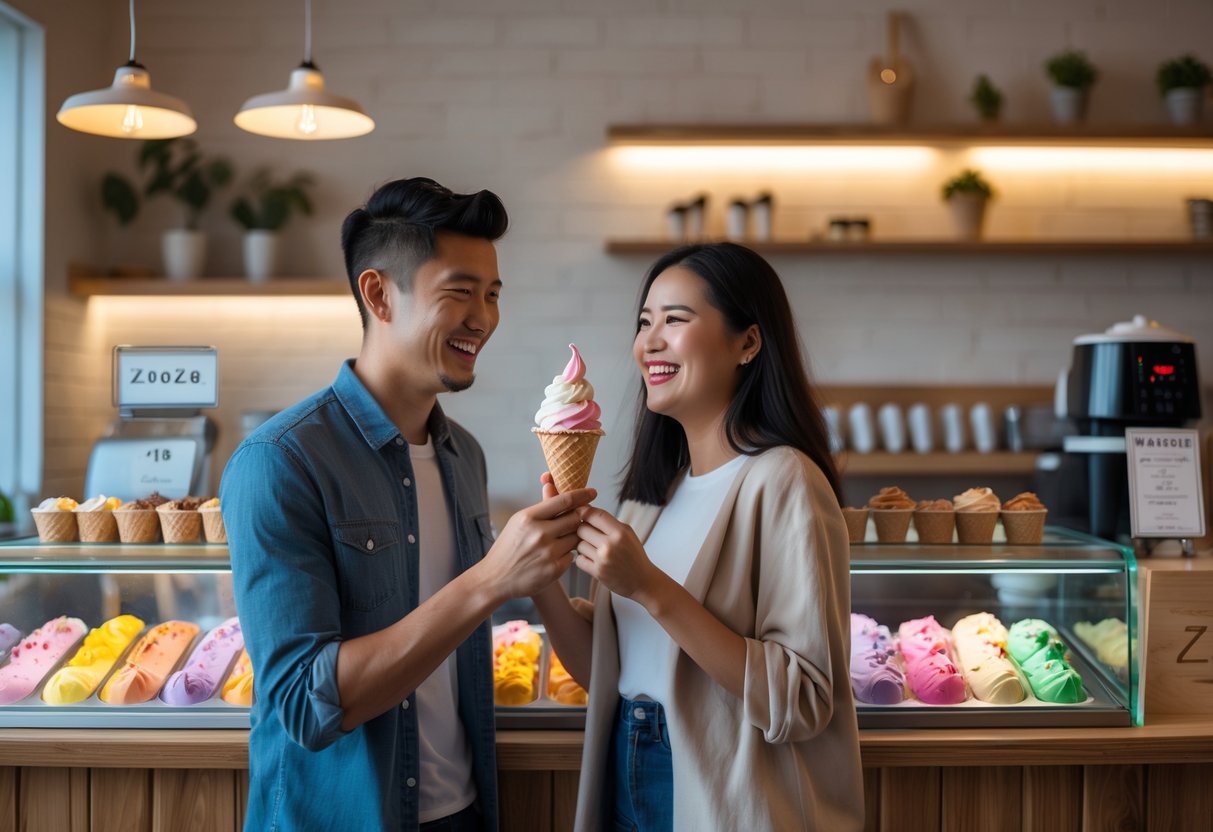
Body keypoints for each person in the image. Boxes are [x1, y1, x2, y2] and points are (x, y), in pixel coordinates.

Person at [221, 177, 595, 832]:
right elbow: (305, 706)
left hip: (465, 813)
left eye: (492, 294)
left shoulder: (463, 455)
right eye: (459, 292)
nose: (483, 317)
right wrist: (489, 580)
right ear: (378, 294)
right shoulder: (279, 461)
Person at [534, 242, 864, 830]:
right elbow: (601, 672)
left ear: (748, 343)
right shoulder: (649, 497)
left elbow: (806, 700)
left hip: (713, 787)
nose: (650, 342)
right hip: (622, 766)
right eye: (644, 322)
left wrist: (650, 587)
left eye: (676, 320)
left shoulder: (783, 479)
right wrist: (539, 579)